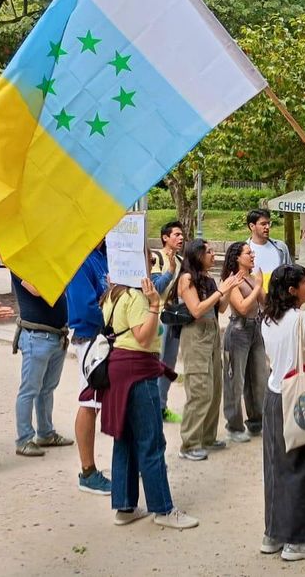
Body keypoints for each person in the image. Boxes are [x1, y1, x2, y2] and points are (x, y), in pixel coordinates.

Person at [96, 277, 198, 530]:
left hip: (119, 368)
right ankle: (162, 508)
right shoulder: (136, 296)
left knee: (125, 439)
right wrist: (154, 305)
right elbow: (143, 337)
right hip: (137, 370)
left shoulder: (113, 293)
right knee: (151, 441)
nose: (151, 270)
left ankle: (125, 505)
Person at [260, 264, 305, 561]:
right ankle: (299, 541)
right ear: (292, 291)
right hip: (299, 396)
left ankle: (273, 534)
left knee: (276, 466)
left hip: (274, 394)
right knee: (304, 468)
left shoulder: (267, 320)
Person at [176, 239, 241, 460]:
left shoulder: (208, 279)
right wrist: (220, 291)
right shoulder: (187, 279)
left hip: (212, 334)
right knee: (199, 390)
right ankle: (190, 443)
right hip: (196, 337)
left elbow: (219, 309)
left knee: (214, 389)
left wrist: (229, 289)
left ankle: (208, 437)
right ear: (197, 255)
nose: (213, 255)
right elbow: (196, 309)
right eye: (209, 251)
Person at [63, 242, 114, 494]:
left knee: (108, 400)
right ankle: (88, 471)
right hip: (93, 339)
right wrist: (116, 317)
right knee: (90, 401)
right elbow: (86, 307)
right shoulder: (80, 259)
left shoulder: (102, 255)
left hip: (108, 336)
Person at [11, 271, 74, 456]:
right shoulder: (19, 263)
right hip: (36, 335)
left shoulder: (47, 263)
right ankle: (24, 439)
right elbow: (37, 290)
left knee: (47, 388)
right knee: (29, 390)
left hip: (56, 334)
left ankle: (46, 432)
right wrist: (63, 278)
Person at [222, 240, 268, 442]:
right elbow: (240, 307)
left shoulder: (251, 278)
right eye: (248, 253)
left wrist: (259, 286)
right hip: (239, 330)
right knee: (235, 380)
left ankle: (257, 420)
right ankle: (234, 425)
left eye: (252, 253)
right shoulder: (232, 280)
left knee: (258, 377)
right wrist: (257, 287)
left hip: (256, 329)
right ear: (237, 258)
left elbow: (264, 302)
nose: (252, 256)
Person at [151, 220, 186, 424]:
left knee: (169, 365)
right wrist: (171, 269)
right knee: (157, 363)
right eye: (176, 235)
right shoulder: (157, 257)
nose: (181, 238)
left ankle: (162, 407)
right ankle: (153, 408)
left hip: (175, 318)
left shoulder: (181, 259)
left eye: (182, 235)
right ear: (165, 237)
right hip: (159, 319)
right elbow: (156, 288)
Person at [246, 208, 292, 278]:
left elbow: (290, 273)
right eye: (263, 224)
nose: (267, 227)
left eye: (268, 223)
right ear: (252, 226)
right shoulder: (243, 250)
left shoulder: (281, 247)